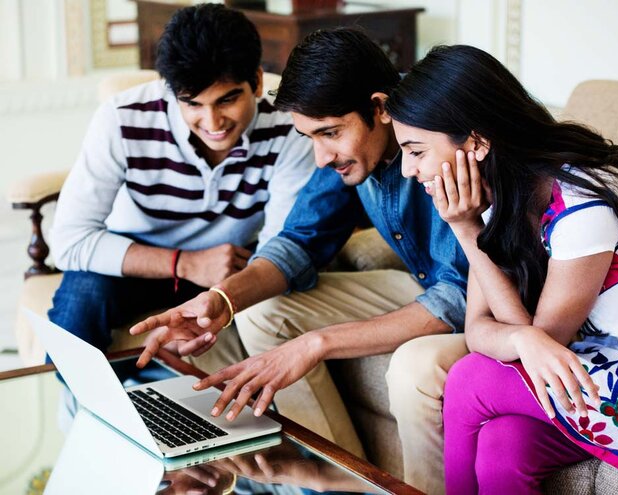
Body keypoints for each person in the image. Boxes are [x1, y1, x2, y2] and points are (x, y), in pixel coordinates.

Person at [129, 27, 469, 489]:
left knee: (409, 363)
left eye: (330, 133)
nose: (321, 157)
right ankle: (336, 483)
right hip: (428, 284)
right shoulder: (353, 150)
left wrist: (315, 343)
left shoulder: (439, 137)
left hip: (478, 299)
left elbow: (460, 297)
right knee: (262, 311)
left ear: (380, 107)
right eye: (309, 136)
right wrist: (221, 300)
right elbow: (301, 238)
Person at [385, 44, 618, 493]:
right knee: (504, 445)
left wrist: (467, 231)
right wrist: (469, 227)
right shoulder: (504, 194)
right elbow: (482, 329)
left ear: (476, 142)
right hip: (602, 359)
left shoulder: (583, 204)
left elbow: (539, 347)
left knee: (471, 379)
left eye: (416, 151)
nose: (407, 170)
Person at [48, 3, 315, 372]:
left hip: (231, 268)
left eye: (227, 100)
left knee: (278, 294)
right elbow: (69, 242)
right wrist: (186, 263)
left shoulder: (290, 127)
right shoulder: (122, 119)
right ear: (172, 92)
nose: (213, 123)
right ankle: (90, 398)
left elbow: (279, 246)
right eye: (193, 104)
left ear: (256, 81)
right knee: (80, 306)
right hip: (135, 259)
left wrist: (220, 294)